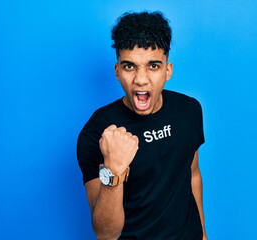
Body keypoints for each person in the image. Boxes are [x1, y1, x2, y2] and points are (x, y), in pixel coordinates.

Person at [77, 11, 207, 240]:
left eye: (153, 66)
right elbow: (106, 234)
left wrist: (203, 235)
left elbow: (193, 173)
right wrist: (114, 171)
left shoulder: (190, 111)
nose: (141, 79)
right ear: (117, 71)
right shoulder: (98, 132)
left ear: (168, 71)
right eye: (129, 67)